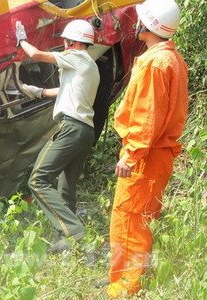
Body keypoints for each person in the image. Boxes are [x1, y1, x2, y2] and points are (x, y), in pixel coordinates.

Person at [106, 0, 189, 297]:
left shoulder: (156, 62)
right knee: (143, 221)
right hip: (158, 157)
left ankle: (124, 290)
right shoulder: (171, 58)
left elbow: (147, 114)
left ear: (149, 25)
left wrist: (131, 154)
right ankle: (138, 280)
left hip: (144, 157)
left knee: (128, 223)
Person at [15, 19, 100, 252]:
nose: (63, 44)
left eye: (65, 41)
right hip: (85, 130)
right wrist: (39, 92)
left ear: (72, 41)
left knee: (38, 179)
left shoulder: (76, 56)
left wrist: (21, 39)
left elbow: (36, 54)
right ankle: (69, 243)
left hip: (71, 127)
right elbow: (66, 91)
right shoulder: (89, 65)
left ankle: (73, 231)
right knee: (66, 186)